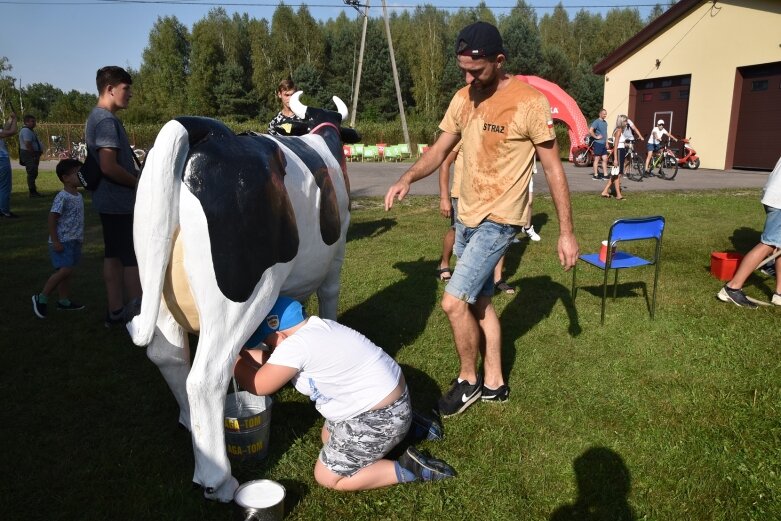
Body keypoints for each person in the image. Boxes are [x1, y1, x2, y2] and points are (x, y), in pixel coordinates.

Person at [385, 22, 579, 417]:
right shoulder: (463, 98)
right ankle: (494, 383)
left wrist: (567, 233)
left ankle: (468, 380)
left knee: (453, 303)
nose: (469, 78)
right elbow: (439, 149)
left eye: (476, 71)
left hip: (500, 219)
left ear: (499, 61)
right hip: (466, 216)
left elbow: (555, 169)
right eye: (463, 71)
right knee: (481, 303)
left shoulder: (528, 102)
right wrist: (407, 177)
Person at [233, 296, 456, 491]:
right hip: (391, 402)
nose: (267, 349)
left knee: (327, 477)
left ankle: (409, 468)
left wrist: (230, 360)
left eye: (267, 342)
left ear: (279, 335)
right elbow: (272, 365)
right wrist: (241, 354)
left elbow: (258, 385)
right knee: (328, 437)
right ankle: (410, 428)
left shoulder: (295, 347)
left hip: (379, 415)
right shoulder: (319, 329)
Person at [85, 66, 142, 327]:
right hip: (119, 202)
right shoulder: (106, 120)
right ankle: (137, 316)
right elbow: (108, 166)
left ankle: (116, 311)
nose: (130, 94)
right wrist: (137, 183)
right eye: (126, 88)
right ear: (110, 89)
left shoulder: (96, 117)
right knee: (131, 257)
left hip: (108, 201)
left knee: (113, 256)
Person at [717, 156, 781, 308]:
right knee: (769, 244)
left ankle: (779, 293)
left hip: (773, 195)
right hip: (779, 201)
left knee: (778, 245)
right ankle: (732, 288)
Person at [32, 158, 86, 318]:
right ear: (65, 178)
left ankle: (63, 301)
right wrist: (55, 241)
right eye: (78, 173)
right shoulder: (62, 197)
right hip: (62, 241)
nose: (82, 176)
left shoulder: (78, 195)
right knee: (65, 270)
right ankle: (41, 297)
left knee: (66, 272)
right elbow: (52, 218)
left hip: (74, 240)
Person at [601, 115, 643, 200]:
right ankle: (617, 194)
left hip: (621, 151)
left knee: (616, 173)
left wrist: (627, 144)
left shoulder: (620, 130)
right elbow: (615, 146)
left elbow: (620, 143)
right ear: (621, 122)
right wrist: (616, 159)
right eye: (625, 121)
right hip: (619, 152)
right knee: (617, 173)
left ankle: (607, 191)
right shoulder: (619, 130)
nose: (626, 123)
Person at [19, 114, 44, 197]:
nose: (34, 123)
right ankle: (32, 192)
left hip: (32, 154)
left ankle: (33, 191)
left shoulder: (30, 130)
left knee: (34, 172)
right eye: (32, 121)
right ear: (26, 122)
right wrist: (33, 155)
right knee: (32, 172)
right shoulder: (26, 131)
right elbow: (28, 144)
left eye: (35, 121)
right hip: (29, 154)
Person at [0, 111, 18, 218]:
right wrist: (15, 120)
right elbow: (12, 131)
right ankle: (4, 211)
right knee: (4, 186)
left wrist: (10, 120)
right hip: (1, 160)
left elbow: (4, 131)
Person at [589, 109, 609, 181]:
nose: (605, 115)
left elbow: (605, 133)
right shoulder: (596, 122)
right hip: (598, 143)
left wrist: (606, 143)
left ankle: (605, 175)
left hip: (603, 144)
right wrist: (596, 137)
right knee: (597, 159)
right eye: (604, 114)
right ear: (600, 114)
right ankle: (595, 175)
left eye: (606, 114)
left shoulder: (605, 122)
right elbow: (590, 130)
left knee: (605, 159)